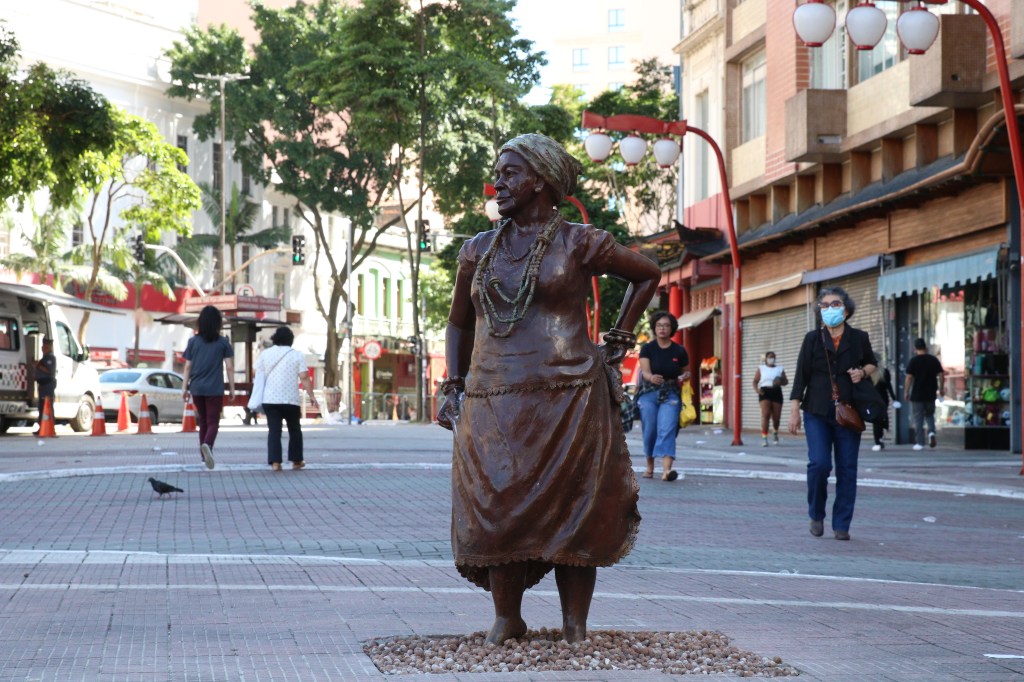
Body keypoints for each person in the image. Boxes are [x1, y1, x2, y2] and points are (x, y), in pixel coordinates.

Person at [436, 133, 660, 644]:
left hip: (570, 396)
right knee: (495, 509)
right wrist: (453, 383)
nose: (500, 183)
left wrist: (618, 342)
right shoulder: (478, 249)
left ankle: (574, 624)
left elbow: (646, 275)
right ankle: (506, 616)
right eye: (499, 173)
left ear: (540, 180)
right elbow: (458, 324)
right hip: (493, 397)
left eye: (510, 173)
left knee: (575, 509)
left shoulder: (579, 241)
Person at [788, 286, 876, 541]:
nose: (829, 309)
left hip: (849, 412)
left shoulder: (859, 337)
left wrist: (863, 372)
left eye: (834, 304)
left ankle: (842, 524)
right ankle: (816, 513)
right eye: (824, 306)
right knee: (819, 464)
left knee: (847, 468)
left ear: (846, 310)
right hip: (816, 410)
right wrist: (794, 410)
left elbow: (872, 362)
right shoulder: (812, 339)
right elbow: (800, 377)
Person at [255, 326, 318, 471]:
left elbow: (258, 372)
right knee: (294, 429)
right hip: (290, 400)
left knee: (274, 431)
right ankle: (296, 460)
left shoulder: (266, 354)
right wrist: (311, 396)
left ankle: (275, 462)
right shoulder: (296, 355)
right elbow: (304, 377)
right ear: (291, 340)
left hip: (270, 399)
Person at [636, 311, 690, 480]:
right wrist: (651, 377)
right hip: (649, 393)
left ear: (672, 329)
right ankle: (650, 466)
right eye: (659, 325)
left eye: (666, 325)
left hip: (671, 393)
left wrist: (684, 376)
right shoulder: (647, 348)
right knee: (650, 429)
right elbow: (644, 371)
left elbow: (686, 371)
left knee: (667, 428)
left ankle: (667, 471)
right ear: (654, 328)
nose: (662, 328)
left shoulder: (679, 350)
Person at [182, 305, 235, 470]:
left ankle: (204, 455)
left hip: (196, 388)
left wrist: (184, 388)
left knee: (203, 421)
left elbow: (187, 367)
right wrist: (232, 388)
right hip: (214, 389)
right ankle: (207, 444)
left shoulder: (193, 342)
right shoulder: (223, 343)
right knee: (213, 422)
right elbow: (230, 366)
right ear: (218, 323)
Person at [904, 337, 944, 451]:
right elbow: (941, 375)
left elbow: (908, 378)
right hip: (931, 394)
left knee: (918, 418)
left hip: (917, 395)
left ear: (915, 348)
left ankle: (920, 442)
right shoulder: (933, 360)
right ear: (925, 347)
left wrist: (906, 391)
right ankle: (931, 433)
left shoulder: (913, 361)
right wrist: (941, 389)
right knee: (930, 415)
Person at [752, 351, 788, 447]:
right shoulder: (761, 368)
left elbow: (786, 381)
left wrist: (780, 381)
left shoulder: (779, 369)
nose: (771, 359)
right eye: (770, 357)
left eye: (773, 357)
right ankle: (764, 438)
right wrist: (757, 390)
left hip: (776, 391)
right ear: (766, 359)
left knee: (776, 417)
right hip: (765, 392)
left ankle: (775, 432)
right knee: (766, 414)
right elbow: (755, 381)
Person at [870, 357, 898, 451]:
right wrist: (894, 399)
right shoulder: (884, 372)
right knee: (881, 419)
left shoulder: (868, 373)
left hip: (873, 400)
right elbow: (889, 387)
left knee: (875, 421)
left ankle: (877, 441)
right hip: (883, 399)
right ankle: (880, 438)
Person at [34, 337, 57, 435]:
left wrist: (38, 365)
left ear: (48, 347)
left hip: (47, 386)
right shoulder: (45, 357)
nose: (42, 348)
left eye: (44, 346)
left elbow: (49, 371)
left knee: (47, 406)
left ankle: (49, 426)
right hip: (42, 386)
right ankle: (42, 427)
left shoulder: (50, 358)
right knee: (41, 407)